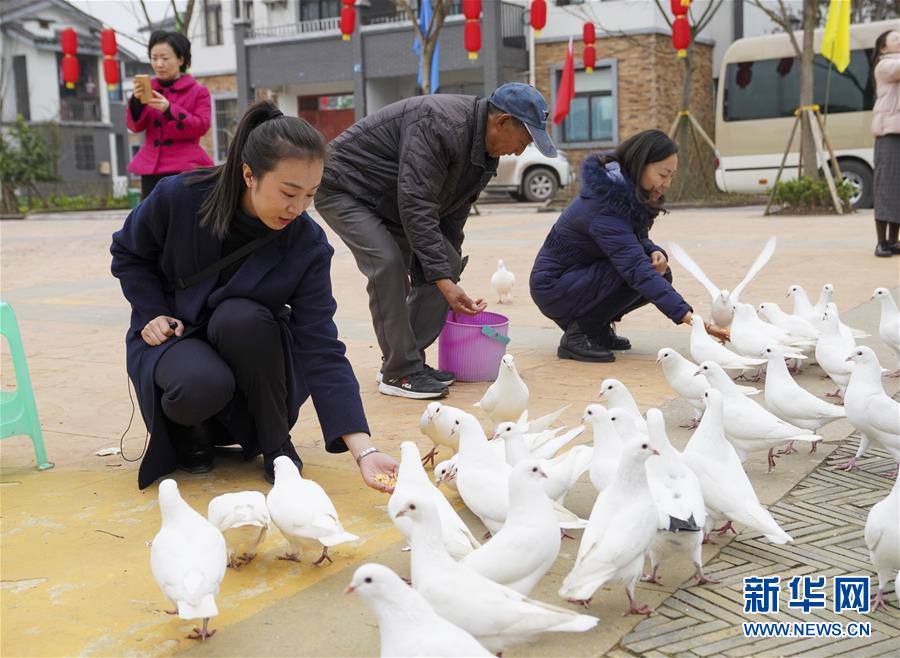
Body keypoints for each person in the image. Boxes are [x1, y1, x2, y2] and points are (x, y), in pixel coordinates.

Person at [111, 99, 398, 492]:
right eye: (288, 192)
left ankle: (274, 440)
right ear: (249, 175)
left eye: (311, 195)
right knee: (201, 384)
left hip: (251, 349)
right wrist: (152, 311)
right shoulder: (180, 196)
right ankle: (188, 431)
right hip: (174, 336)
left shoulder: (307, 244)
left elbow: (321, 345)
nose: (298, 208)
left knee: (240, 317)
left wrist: (364, 450)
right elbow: (129, 252)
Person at [315, 83, 557, 399]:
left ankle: (403, 360)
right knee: (387, 263)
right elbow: (416, 201)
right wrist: (443, 281)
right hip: (346, 189)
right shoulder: (440, 122)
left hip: (393, 201)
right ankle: (399, 372)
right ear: (501, 121)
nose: (519, 151)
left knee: (446, 261)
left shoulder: (484, 150)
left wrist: (448, 272)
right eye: (523, 141)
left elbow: (452, 213)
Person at [529, 129, 728, 363]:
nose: (667, 184)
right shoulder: (606, 204)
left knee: (657, 272)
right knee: (640, 272)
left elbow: (633, 238)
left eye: (672, 176)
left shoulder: (625, 191)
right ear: (641, 164)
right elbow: (635, 267)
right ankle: (579, 334)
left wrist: (654, 251)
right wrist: (692, 319)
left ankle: (596, 329)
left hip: (576, 278)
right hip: (554, 286)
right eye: (663, 174)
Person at [127, 30, 214, 199]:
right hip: (151, 167)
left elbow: (201, 126)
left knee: (182, 218)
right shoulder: (147, 89)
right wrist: (137, 102)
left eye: (165, 58)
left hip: (185, 167)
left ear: (181, 59)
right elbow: (134, 126)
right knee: (151, 221)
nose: (159, 64)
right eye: (154, 58)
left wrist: (169, 109)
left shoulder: (198, 91)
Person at [872, 28, 900, 258]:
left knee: (898, 188)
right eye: (897, 39)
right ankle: (881, 242)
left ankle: (894, 241)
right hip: (889, 133)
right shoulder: (884, 65)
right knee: (886, 187)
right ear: (883, 48)